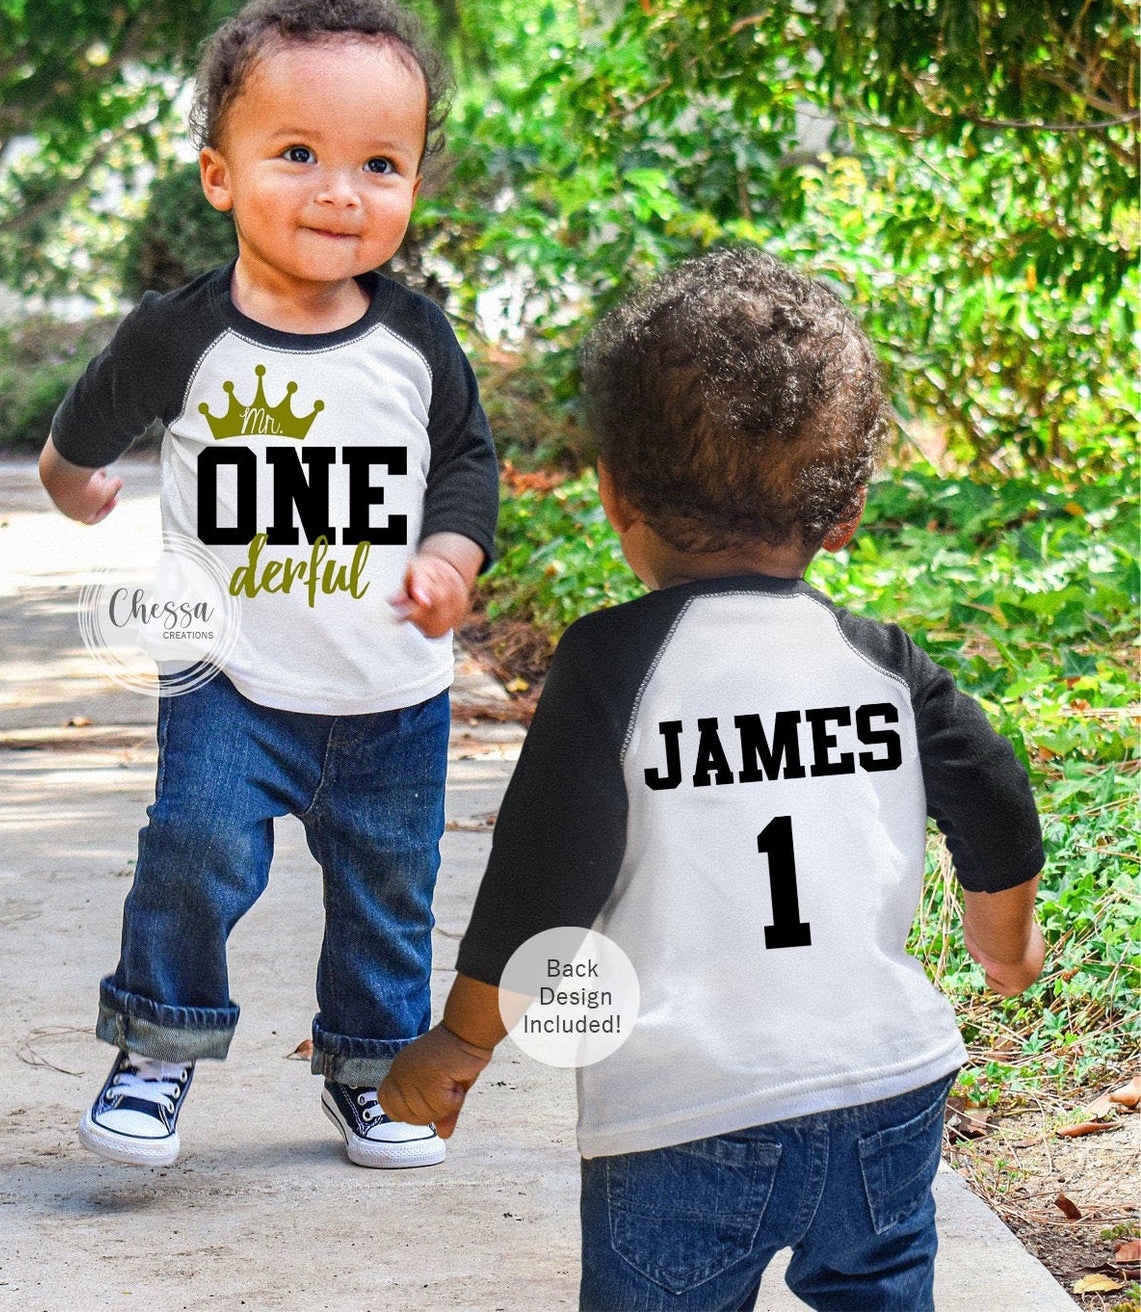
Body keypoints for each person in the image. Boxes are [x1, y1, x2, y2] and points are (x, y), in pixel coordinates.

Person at [379, 249, 1045, 1307]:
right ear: (846, 509)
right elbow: (995, 794)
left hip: (686, 1113)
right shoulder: (883, 661)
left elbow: (543, 877)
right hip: (884, 1087)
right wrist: (1001, 942)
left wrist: (461, 1040)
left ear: (612, 496)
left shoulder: (611, 665)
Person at [39, 0, 498, 1171]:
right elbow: (86, 420)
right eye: (297, 153)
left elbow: (464, 462)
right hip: (228, 681)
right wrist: (70, 478)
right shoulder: (180, 334)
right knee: (189, 851)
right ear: (219, 174)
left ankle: (370, 1068)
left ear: (411, 182)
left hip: (390, 691)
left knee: (390, 891)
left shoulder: (416, 340)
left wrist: (450, 552)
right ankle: (156, 1047)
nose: (340, 191)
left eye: (379, 165)